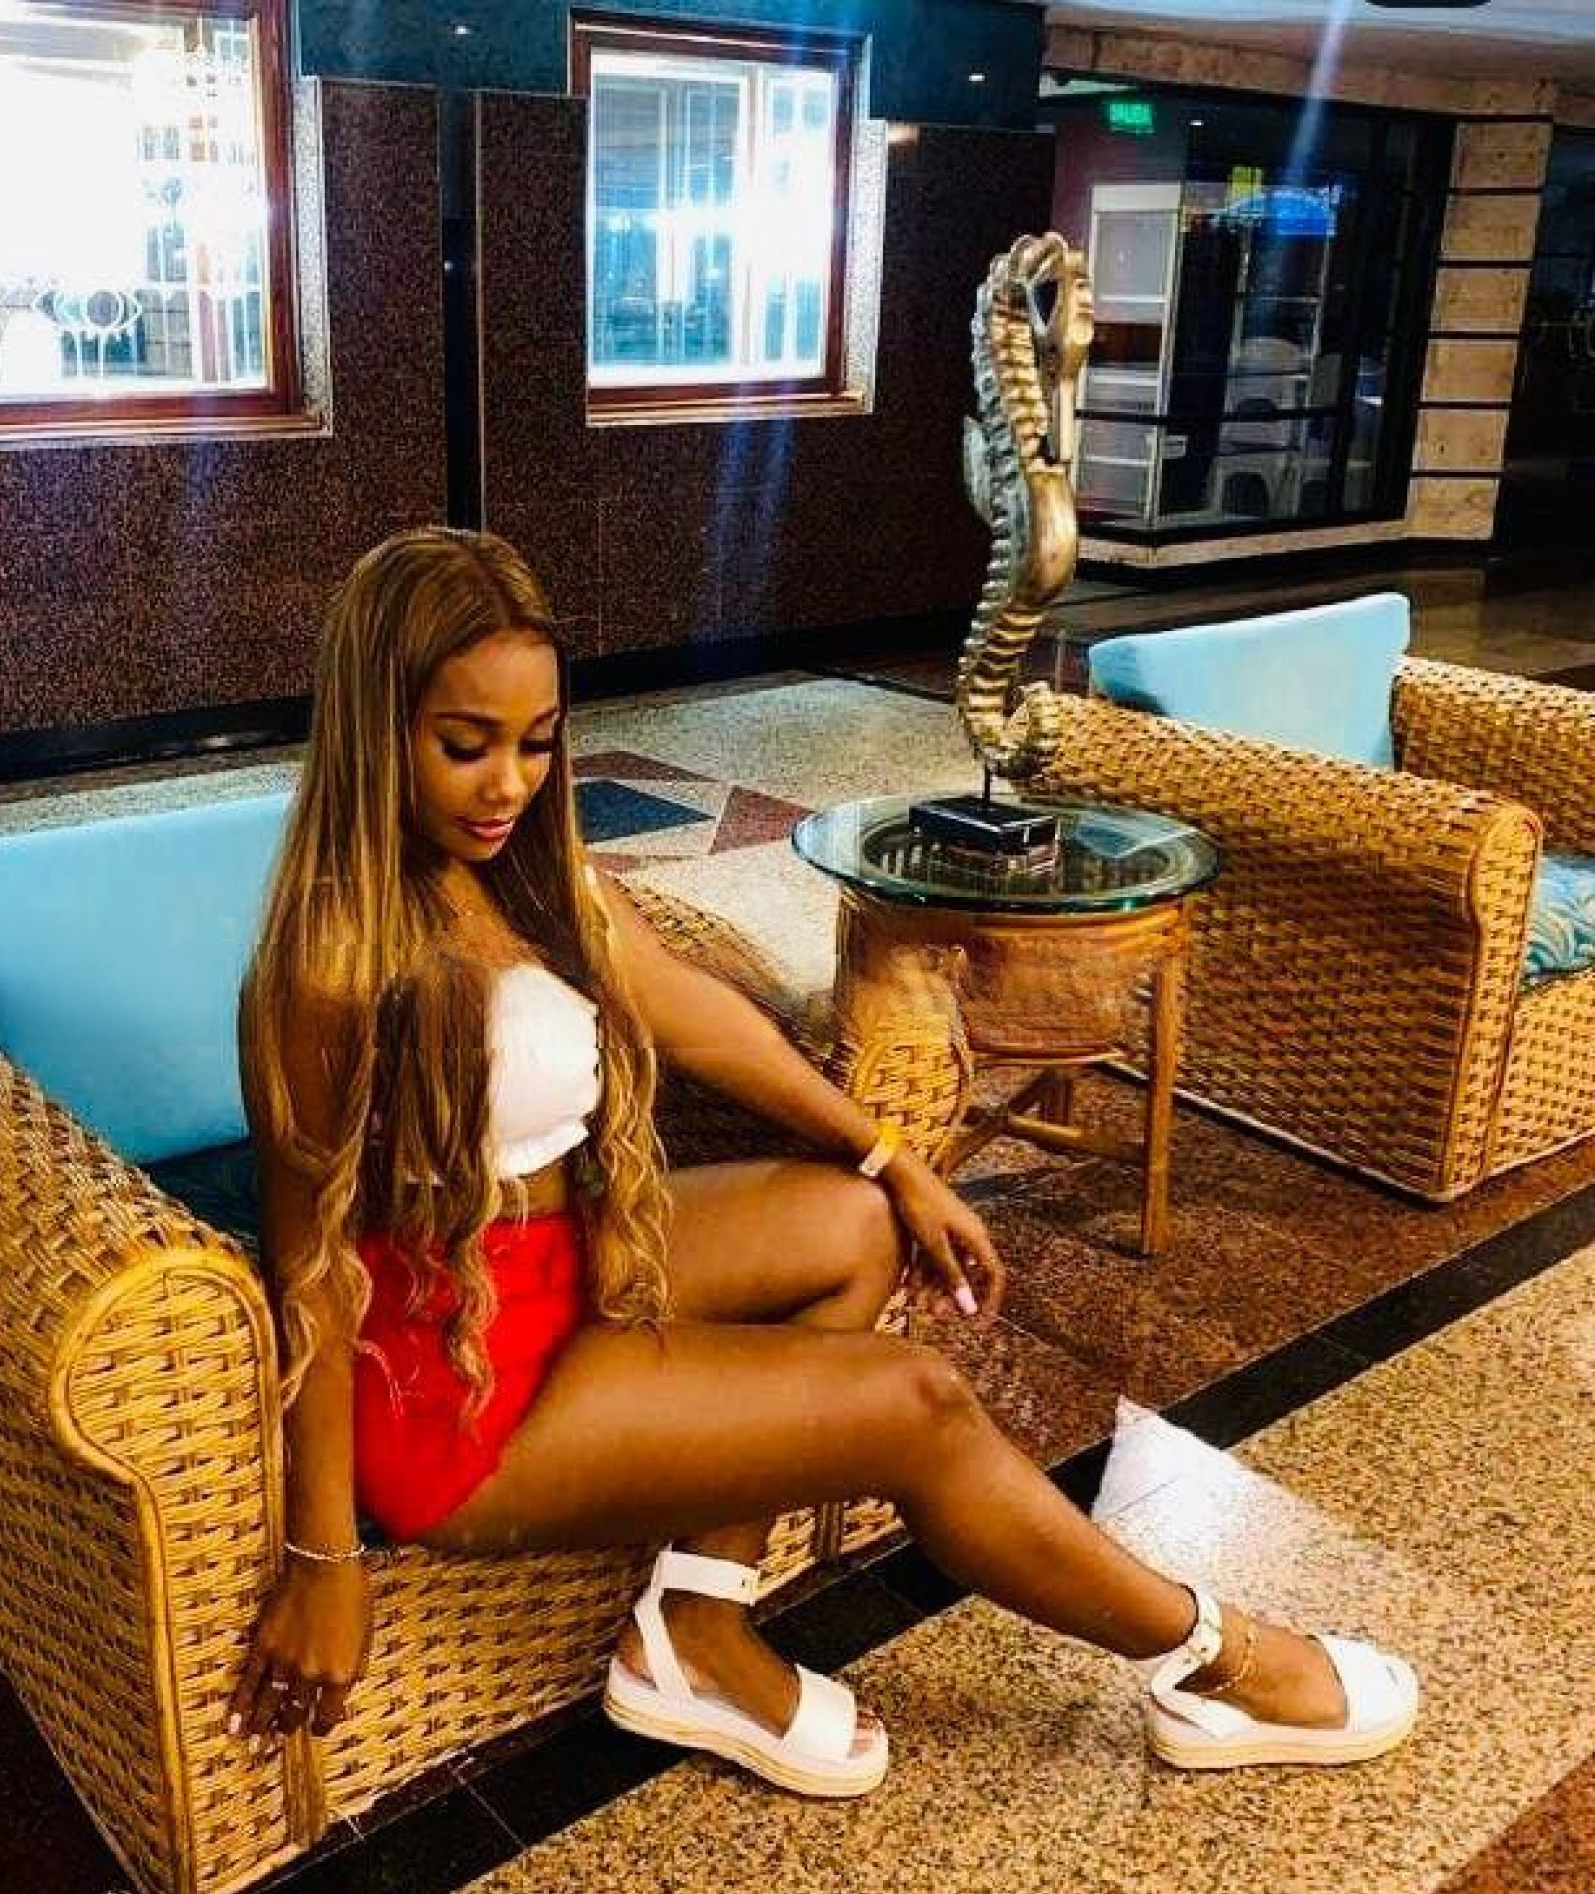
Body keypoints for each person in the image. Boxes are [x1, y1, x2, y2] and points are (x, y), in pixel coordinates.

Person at [227, 526, 1417, 1793]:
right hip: (458, 1390)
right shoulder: (326, 970)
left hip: (562, 1261)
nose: (507, 783)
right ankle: (1218, 1656)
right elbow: (312, 1273)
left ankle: (694, 1626)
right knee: (918, 1403)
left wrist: (892, 1156)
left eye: (536, 741)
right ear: (376, 731)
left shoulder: (529, 881)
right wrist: (323, 1558)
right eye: (465, 744)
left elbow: (698, 1015)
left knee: (859, 1222)